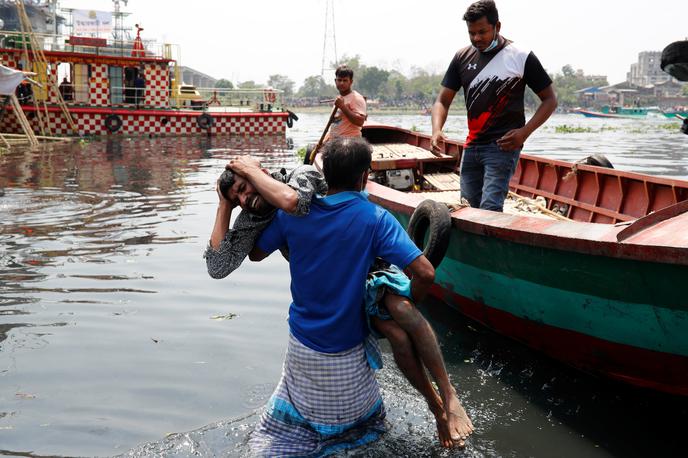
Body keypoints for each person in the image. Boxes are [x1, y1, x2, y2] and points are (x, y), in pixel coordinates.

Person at [205, 145, 473, 450]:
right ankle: (443, 402)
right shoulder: (374, 217)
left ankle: (443, 403)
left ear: (324, 175)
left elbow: (257, 251)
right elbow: (425, 273)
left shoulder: (291, 205)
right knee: (400, 324)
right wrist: (227, 206)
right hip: (356, 313)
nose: (243, 200)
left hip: (317, 332)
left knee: (399, 324)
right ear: (365, 177)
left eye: (243, 189)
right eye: (236, 197)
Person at [430, 0, 557, 212]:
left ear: (497, 27)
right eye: (471, 33)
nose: (476, 38)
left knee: (490, 208)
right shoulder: (462, 57)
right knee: (467, 208)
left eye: (482, 32)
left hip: (503, 146)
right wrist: (436, 130)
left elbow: (550, 99)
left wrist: (524, 133)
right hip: (472, 146)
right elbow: (442, 100)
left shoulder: (520, 55)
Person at [329, 65, 367, 139]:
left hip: (350, 142)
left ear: (351, 82)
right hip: (335, 141)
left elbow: (360, 122)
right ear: (335, 81)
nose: (342, 83)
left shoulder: (356, 98)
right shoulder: (339, 99)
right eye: (339, 80)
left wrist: (343, 107)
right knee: (310, 149)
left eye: (345, 80)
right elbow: (333, 126)